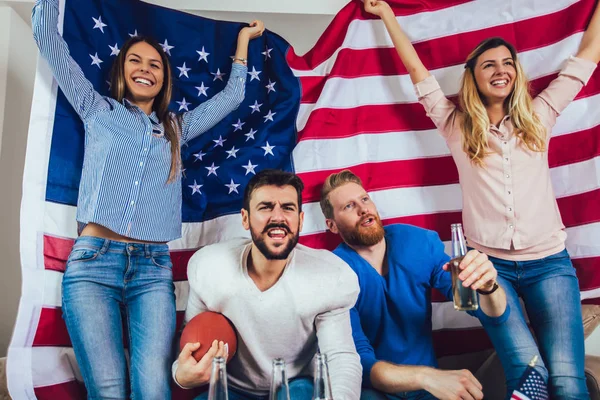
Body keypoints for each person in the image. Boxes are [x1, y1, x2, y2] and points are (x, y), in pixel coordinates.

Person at [363, 0, 600, 398]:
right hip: (489, 270)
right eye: (489, 64)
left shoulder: (540, 116)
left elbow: (586, 57)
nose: (501, 70)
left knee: (567, 380)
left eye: (507, 62)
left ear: (516, 73)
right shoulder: (456, 125)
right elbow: (418, 73)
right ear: (473, 75)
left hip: (550, 264)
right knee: (530, 377)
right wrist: (387, 15)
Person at [31, 0, 264, 397]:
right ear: (122, 71)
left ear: (163, 79)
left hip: (152, 271)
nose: (145, 68)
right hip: (93, 264)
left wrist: (243, 41)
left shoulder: (176, 127)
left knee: (153, 389)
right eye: (136, 61)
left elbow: (231, 98)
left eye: (155, 64)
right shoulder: (96, 109)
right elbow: (48, 39)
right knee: (106, 389)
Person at [320, 170, 509, 400]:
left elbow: (491, 313)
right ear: (332, 225)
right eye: (348, 207)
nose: (363, 210)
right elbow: (362, 365)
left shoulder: (416, 242)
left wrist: (488, 287)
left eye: (364, 199)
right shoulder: (333, 274)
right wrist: (426, 377)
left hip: (430, 391)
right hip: (375, 392)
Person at [173, 169, 362, 400]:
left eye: (288, 208)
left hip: (295, 387)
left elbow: (340, 356)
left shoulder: (329, 275)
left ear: (300, 220)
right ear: (245, 218)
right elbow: (190, 340)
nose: (278, 217)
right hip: (233, 390)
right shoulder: (211, 267)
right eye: (265, 207)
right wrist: (180, 375)